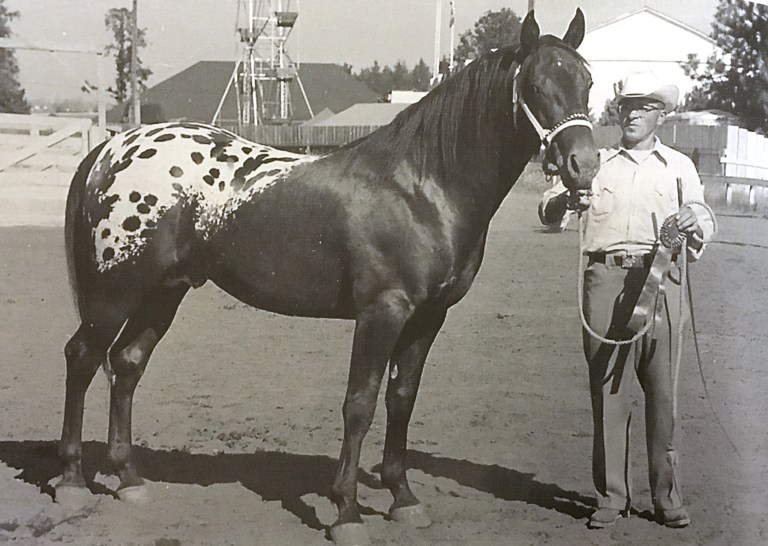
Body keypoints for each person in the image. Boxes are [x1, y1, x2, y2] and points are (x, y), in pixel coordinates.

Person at [539, 71, 716, 530]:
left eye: (644, 106)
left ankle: (666, 497)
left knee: (663, 396)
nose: (633, 113)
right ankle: (612, 497)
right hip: (605, 281)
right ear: (618, 113)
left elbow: (703, 213)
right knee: (609, 395)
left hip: (664, 283)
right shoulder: (594, 163)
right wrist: (564, 201)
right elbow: (548, 208)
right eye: (626, 106)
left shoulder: (678, 166)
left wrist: (693, 221)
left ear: (661, 114)